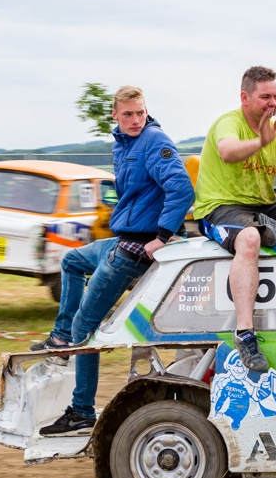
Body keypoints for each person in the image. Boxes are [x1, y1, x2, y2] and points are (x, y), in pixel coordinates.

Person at [31, 86, 195, 435]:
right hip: (125, 237)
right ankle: (60, 339)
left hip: (138, 248)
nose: (136, 120)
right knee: (72, 261)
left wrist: (162, 236)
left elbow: (182, 189)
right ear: (115, 115)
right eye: (129, 114)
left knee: (85, 327)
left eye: (140, 113)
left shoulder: (154, 140)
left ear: (147, 111)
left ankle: (81, 410)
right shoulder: (122, 144)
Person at [193, 66, 276, 372]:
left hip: (261, 208)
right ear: (244, 98)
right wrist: (260, 141)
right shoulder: (228, 123)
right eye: (265, 97)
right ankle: (245, 333)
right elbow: (228, 152)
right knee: (250, 238)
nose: (273, 103)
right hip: (221, 207)